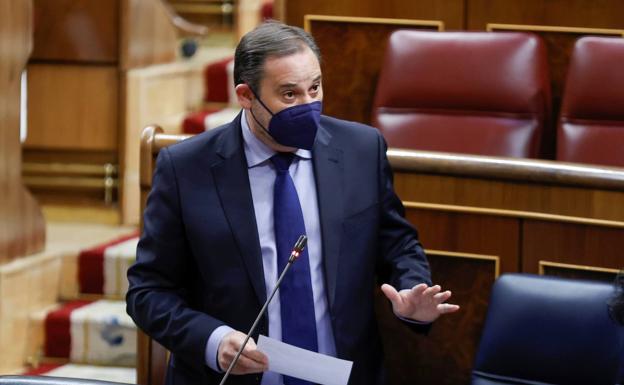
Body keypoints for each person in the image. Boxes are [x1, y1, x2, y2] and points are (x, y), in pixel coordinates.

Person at [126, 21, 459, 385]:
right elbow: (148, 291)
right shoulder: (186, 169)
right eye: (289, 94)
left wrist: (411, 289)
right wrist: (213, 340)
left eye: (314, 88)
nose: (307, 105)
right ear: (246, 95)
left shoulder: (361, 150)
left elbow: (397, 245)